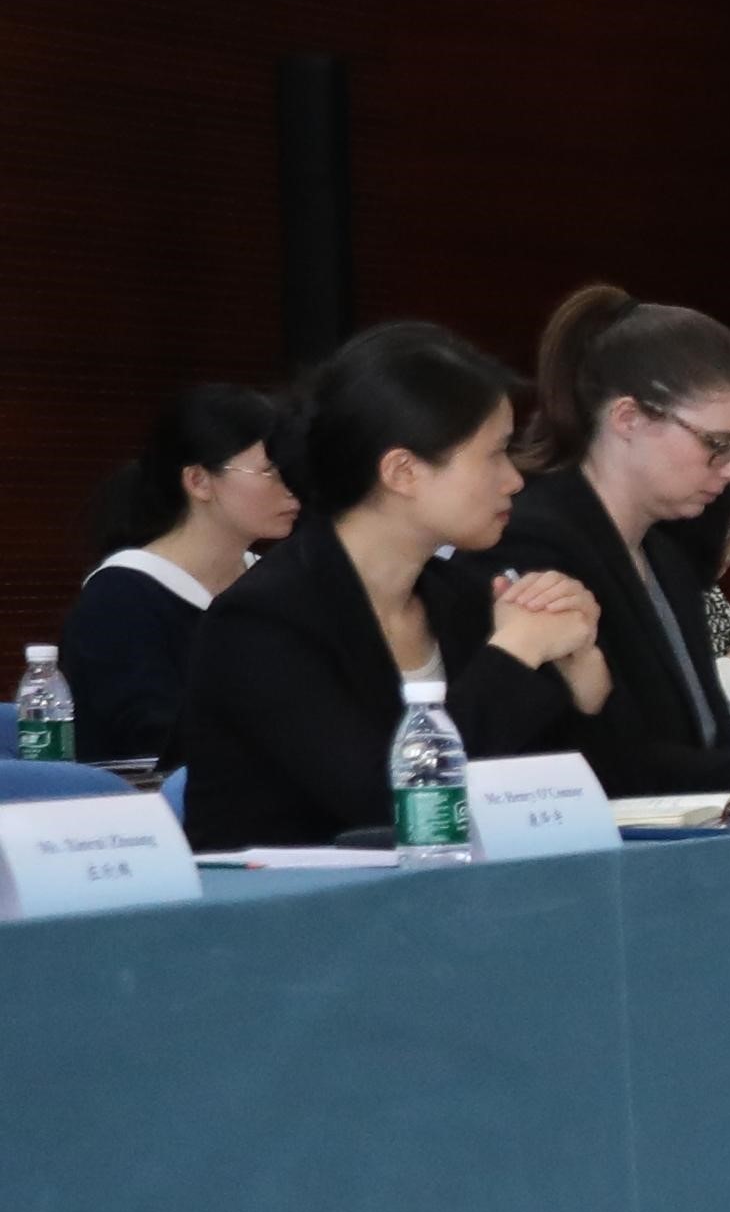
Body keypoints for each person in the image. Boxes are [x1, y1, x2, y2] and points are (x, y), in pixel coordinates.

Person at [176, 322, 604, 849]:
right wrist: (514, 653)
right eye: (494, 454)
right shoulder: (262, 622)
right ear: (402, 471)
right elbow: (386, 806)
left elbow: (562, 801)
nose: (514, 480)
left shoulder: (463, 597)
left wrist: (583, 684)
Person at [492, 285, 730, 796]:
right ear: (628, 418)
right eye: (718, 444)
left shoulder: (666, 552)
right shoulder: (531, 545)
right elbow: (613, 765)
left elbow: (705, 744)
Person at [59, 383, 294, 766]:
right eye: (271, 471)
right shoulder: (120, 598)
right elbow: (154, 739)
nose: (293, 488)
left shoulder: (278, 584)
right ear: (198, 481)